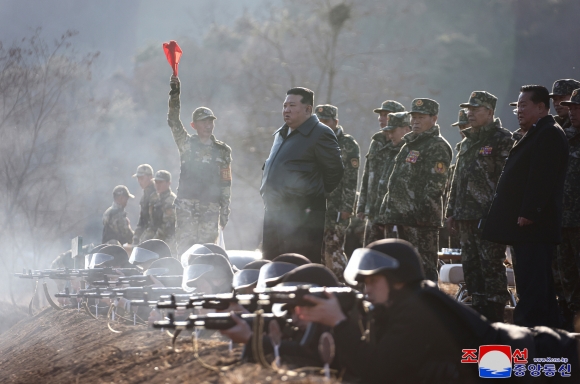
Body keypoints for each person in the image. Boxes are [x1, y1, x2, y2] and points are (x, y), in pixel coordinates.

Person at [297, 239, 580, 383]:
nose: (366, 289)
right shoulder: (398, 307)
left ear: (397, 281)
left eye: (372, 280)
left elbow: (379, 370)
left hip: (536, 359)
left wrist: (339, 322)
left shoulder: (417, 308)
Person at [483, 85, 569, 328]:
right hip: (527, 226)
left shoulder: (549, 133)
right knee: (534, 285)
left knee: (533, 286)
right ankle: (545, 335)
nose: (519, 111)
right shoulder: (536, 132)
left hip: (535, 226)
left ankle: (530, 335)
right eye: (517, 106)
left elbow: (542, 178)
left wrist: (530, 212)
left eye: (524, 105)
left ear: (541, 107)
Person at [445, 91, 514, 322]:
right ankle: (477, 319)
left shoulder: (502, 139)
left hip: (489, 217)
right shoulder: (467, 141)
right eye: (468, 109)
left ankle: (496, 320)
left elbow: (508, 180)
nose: (470, 113)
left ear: (490, 112)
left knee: (491, 268)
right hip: (465, 216)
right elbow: (457, 179)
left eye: (476, 109)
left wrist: (501, 213)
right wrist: (451, 212)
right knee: (472, 269)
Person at [260, 88, 344, 262]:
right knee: (271, 267)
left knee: (297, 269)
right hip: (274, 214)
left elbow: (335, 171)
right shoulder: (281, 134)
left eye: (292, 105)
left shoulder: (320, 133)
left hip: (302, 218)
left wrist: (310, 194)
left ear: (308, 109)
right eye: (284, 106)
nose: (286, 110)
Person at [382, 98, 452, 283]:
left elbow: (436, 185)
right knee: (405, 271)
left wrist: (419, 213)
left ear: (434, 118)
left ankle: (430, 309)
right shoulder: (409, 145)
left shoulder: (437, 146)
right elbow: (396, 181)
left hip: (422, 221)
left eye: (421, 117)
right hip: (401, 218)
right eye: (413, 117)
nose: (415, 121)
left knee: (425, 269)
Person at [167, 76, 232, 256]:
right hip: (186, 206)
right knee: (186, 252)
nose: (208, 125)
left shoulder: (222, 151)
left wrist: (224, 211)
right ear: (194, 125)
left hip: (210, 208)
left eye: (210, 121)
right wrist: (175, 92)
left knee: (208, 252)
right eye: (204, 122)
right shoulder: (186, 144)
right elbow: (173, 120)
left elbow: (225, 183)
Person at [314, 104, 359, 278]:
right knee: (316, 252)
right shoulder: (312, 140)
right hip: (315, 208)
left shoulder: (348, 144)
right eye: (319, 121)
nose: (322, 125)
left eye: (326, 121)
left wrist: (347, 207)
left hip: (337, 209)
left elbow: (351, 179)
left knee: (333, 252)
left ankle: (341, 288)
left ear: (335, 122)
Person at [357, 100, 405, 246]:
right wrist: (362, 205)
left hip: (391, 214)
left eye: (386, 115)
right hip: (372, 211)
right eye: (381, 115)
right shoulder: (376, 142)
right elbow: (367, 174)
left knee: (391, 253)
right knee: (370, 253)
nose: (381, 118)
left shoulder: (402, 143)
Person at [556, 88, 580, 331]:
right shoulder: (562, 137)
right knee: (566, 284)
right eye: (571, 107)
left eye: (577, 107)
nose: (572, 112)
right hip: (563, 223)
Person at [376, 112, 411, 237]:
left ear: (407, 129)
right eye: (388, 132)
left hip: (404, 217)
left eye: (393, 131)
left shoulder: (412, 151)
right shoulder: (392, 151)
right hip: (389, 216)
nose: (390, 136)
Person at [142, 170, 176, 249]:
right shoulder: (154, 198)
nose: (157, 185)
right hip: (156, 237)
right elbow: (151, 224)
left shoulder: (171, 201)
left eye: (160, 182)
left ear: (168, 183)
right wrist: (143, 241)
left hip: (169, 241)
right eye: (156, 182)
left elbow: (166, 226)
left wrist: (153, 242)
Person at [132, 164, 156, 245]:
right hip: (148, 238)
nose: (139, 181)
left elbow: (156, 223)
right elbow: (142, 220)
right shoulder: (145, 195)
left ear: (150, 177)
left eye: (141, 178)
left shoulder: (157, 193)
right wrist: (136, 237)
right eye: (138, 178)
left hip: (157, 239)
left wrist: (143, 240)